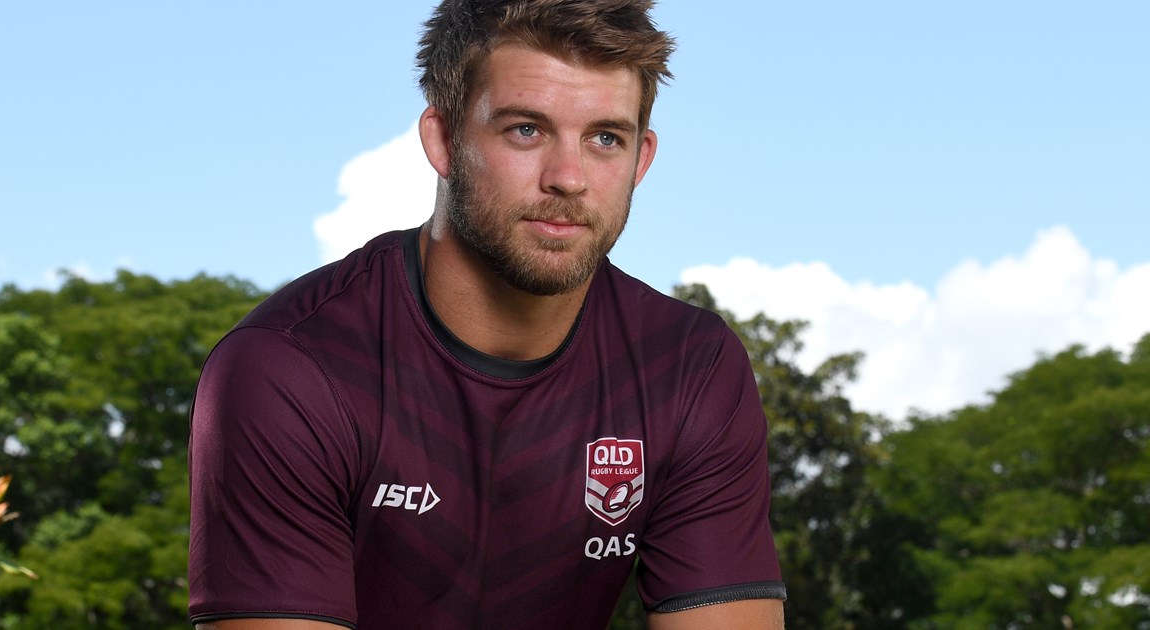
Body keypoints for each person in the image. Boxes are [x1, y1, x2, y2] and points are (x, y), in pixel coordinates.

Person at [187, 0, 785, 627]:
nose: (569, 178)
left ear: (642, 159)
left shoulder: (688, 368)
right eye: (525, 129)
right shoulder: (294, 368)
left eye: (605, 138)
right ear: (443, 140)